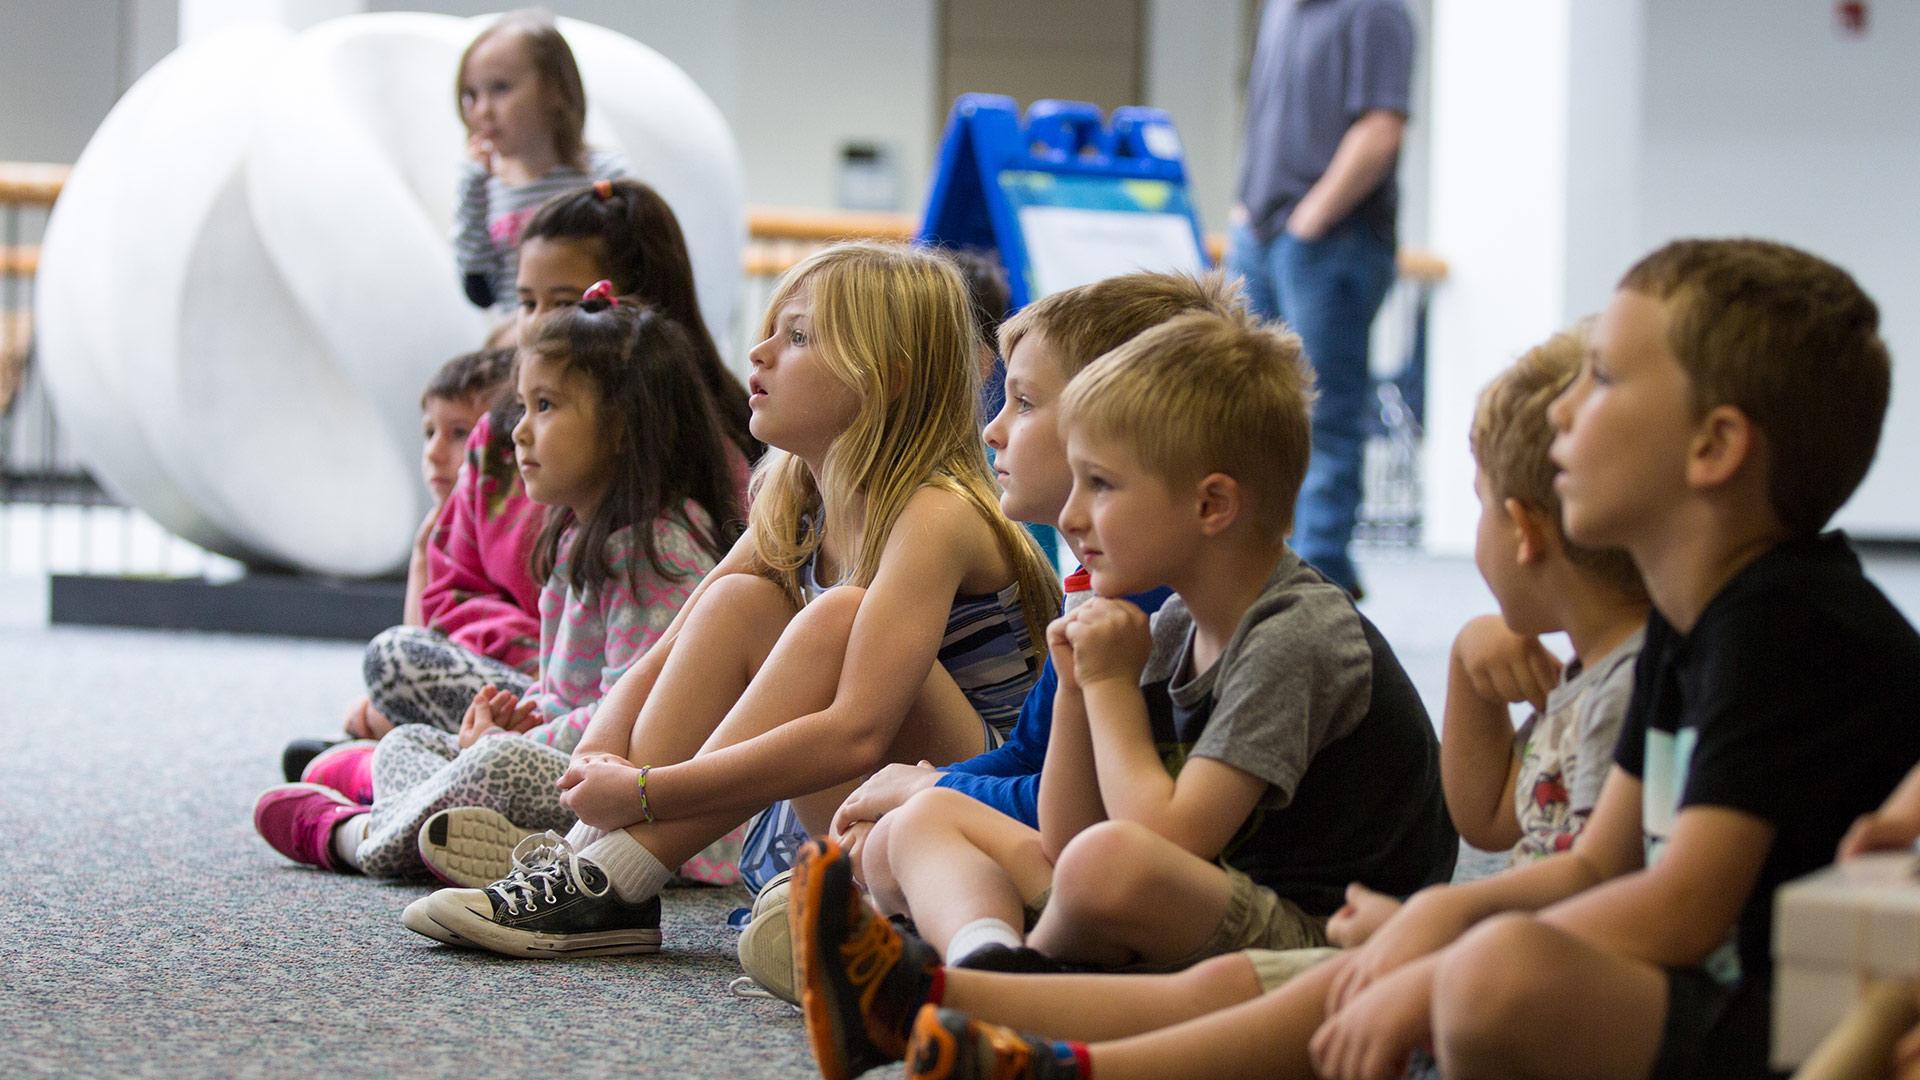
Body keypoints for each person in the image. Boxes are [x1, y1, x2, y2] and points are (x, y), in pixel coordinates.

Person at [844, 238, 1920, 1080]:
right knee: (1374, 969)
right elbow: (1601, 868)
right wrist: (1433, 929)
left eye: (1599, 379)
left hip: (1788, 1016)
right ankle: (990, 1028)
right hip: (1693, 980)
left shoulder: (1786, 626)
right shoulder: (1701, 623)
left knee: (1482, 971)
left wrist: (1446, 934)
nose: (1562, 416)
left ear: (1714, 448)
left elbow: (1679, 906)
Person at [785, 319, 1654, 1080]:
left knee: (1106, 868)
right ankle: (973, 981)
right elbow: (1068, 829)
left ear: (1211, 505)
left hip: (1315, 920)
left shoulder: (1293, 634)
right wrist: (1088, 695)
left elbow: (1158, 838)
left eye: (1103, 486)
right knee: (941, 824)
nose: (1075, 516)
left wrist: (1113, 689)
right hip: (1221, 896)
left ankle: (964, 996)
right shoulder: (1169, 626)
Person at [399, 241, 1060, 958]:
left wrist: (651, 792)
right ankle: (598, 869)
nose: (761, 352)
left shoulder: (935, 513)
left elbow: (857, 733)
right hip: (852, 795)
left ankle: (616, 876)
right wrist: (599, 759)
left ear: (887, 378)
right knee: (737, 603)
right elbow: (672, 646)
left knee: (834, 618)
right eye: (772, 328)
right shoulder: (794, 497)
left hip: (980, 801)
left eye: (799, 336)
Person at [735, 272, 1229, 1005]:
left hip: (1192, 900)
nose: (993, 427)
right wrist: (930, 790)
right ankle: (972, 958)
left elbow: (1120, 827)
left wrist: (934, 786)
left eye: (1025, 404)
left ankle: (948, 974)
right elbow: (1038, 765)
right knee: (914, 823)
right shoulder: (1100, 590)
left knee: (980, 833)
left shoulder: (1170, 613)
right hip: (1097, 862)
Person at [254, 296, 741, 883]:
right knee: (408, 743)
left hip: (637, 798)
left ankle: (349, 837)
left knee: (496, 760)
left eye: (545, 406)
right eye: (523, 406)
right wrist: (511, 722)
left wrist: (513, 740)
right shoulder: (575, 533)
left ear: (621, 428)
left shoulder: (655, 549)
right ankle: (499, 842)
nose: (520, 432)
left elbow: (631, 724)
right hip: (569, 758)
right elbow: (565, 693)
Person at [1225, 0, 1414, 596]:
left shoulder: (1375, 11)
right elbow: (1262, 114)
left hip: (1331, 242)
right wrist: (1245, 207)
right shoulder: (1281, 10)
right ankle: (1270, 566)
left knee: (1322, 414)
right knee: (1251, 409)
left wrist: (1312, 218)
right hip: (1260, 235)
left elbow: (1382, 128)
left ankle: (1319, 578)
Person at [279, 346, 515, 780]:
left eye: (460, 433)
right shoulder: (436, 531)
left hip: (510, 693)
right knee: (387, 684)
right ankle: (369, 764)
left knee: (384, 692)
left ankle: (366, 768)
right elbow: (424, 635)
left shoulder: (508, 527)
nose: (435, 452)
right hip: (460, 689)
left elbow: (494, 639)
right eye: (429, 433)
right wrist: (423, 558)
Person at [453, 9, 626, 317]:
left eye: (501, 88)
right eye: (471, 95)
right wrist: (472, 188)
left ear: (555, 91)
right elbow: (479, 289)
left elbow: (634, 269)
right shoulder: (485, 188)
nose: (482, 110)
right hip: (521, 340)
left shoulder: (604, 175)